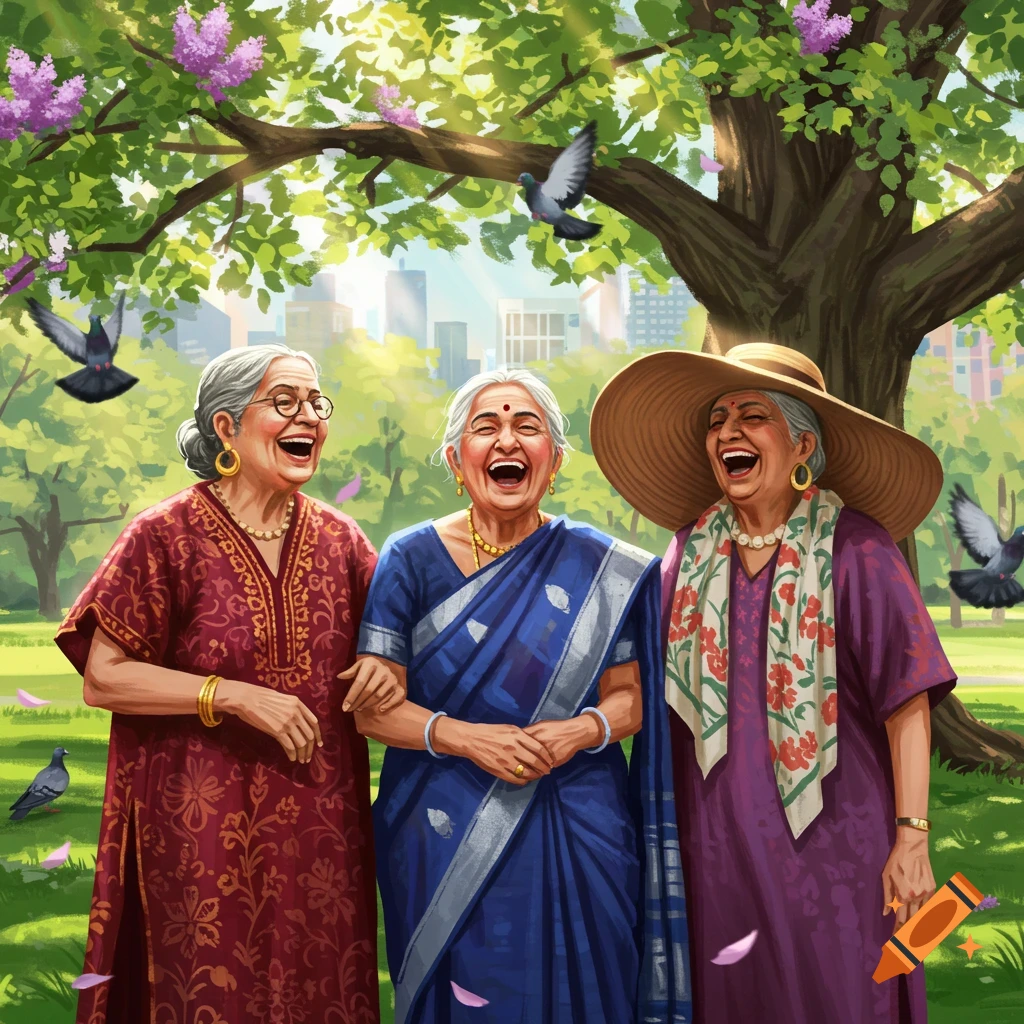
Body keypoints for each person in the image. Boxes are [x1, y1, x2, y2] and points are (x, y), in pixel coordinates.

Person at [590, 342, 956, 1024]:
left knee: (846, 987)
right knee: (731, 991)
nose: (727, 432)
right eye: (716, 419)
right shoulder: (686, 550)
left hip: (839, 840)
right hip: (712, 841)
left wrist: (911, 839)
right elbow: (638, 678)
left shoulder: (858, 547)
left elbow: (907, 698)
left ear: (801, 446)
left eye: (751, 415)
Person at [55, 344, 402, 1024]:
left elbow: (394, 650)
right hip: (194, 836)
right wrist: (231, 695)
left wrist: (389, 664)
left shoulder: (344, 542)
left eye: (315, 403)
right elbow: (104, 676)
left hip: (320, 840)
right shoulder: (162, 536)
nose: (308, 417)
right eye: (285, 402)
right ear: (225, 428)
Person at [349, 369, 690, 1024]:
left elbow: (631, 697)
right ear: (456, 459)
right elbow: (374, 706)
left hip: (579, 810)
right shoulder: (410, 559)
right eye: (487, 426)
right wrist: (471, 740)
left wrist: (577, 732)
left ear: (554, 460)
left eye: (526, 426)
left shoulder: (602, 566)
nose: (507, 439)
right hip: (442, 821)